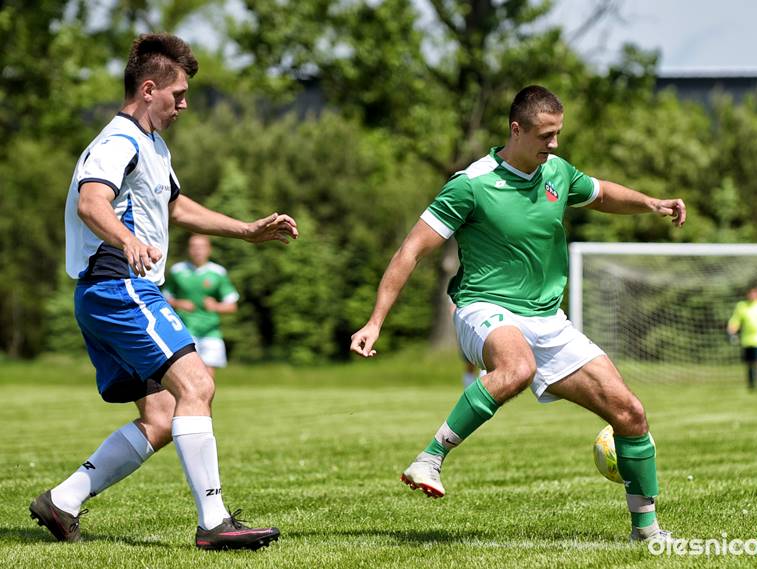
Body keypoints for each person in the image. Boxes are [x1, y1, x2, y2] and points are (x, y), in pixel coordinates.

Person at [350, 85, 686, 542]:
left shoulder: (557, 173)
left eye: (558, 134)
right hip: (484, 306)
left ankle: (646, 532)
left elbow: (602, 194)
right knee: (517, 367)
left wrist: (651, 203)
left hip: (548, 319)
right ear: (516, 130)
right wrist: (375, 321)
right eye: (546, 135)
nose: (554, 144)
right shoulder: (471, 184)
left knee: (630, 413)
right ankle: (429, 459)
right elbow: (411, 251)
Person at [30, 33, 298, 550]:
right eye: (178, 94)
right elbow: (92, 202)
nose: (184, 105)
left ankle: (62, 501)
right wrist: (127, 239)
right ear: (148, 89)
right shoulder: (118, 142)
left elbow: (175, 206)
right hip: (120, 287)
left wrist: (246, 230)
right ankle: (214, 523)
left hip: (110, 293)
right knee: (197, 386)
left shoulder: (152, 145)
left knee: (159, 419)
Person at [163, 235, 238, 380]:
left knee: (208, 377)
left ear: (209, 249)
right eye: (194, 247)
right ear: (188, 249)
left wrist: (216, 306)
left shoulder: (218, 272)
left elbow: (232, 306)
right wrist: (178, 303)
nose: (197, 250)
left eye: (201, 247)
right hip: (184, 330)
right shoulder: (177, 271)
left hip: (210, 331)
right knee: (186, 375)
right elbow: (163, 299)